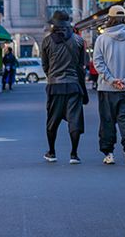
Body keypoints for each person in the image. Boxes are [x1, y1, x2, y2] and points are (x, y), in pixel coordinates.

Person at [93, 5, 125, 166]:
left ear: (110, 18)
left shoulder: (102, 39)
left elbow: (98, 62)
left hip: (107, 89)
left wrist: (111, 79)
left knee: (107, 121)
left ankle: (109, 154)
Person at [41, 10, 88, 164]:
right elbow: (82, 66)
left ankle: (52, 152)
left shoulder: (47, 41)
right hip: (74, 85)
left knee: (52, 121)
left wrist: (52, 75)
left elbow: (45, 65)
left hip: (55, 86)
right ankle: (74, 154)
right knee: (74, 120)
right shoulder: (79, 41)